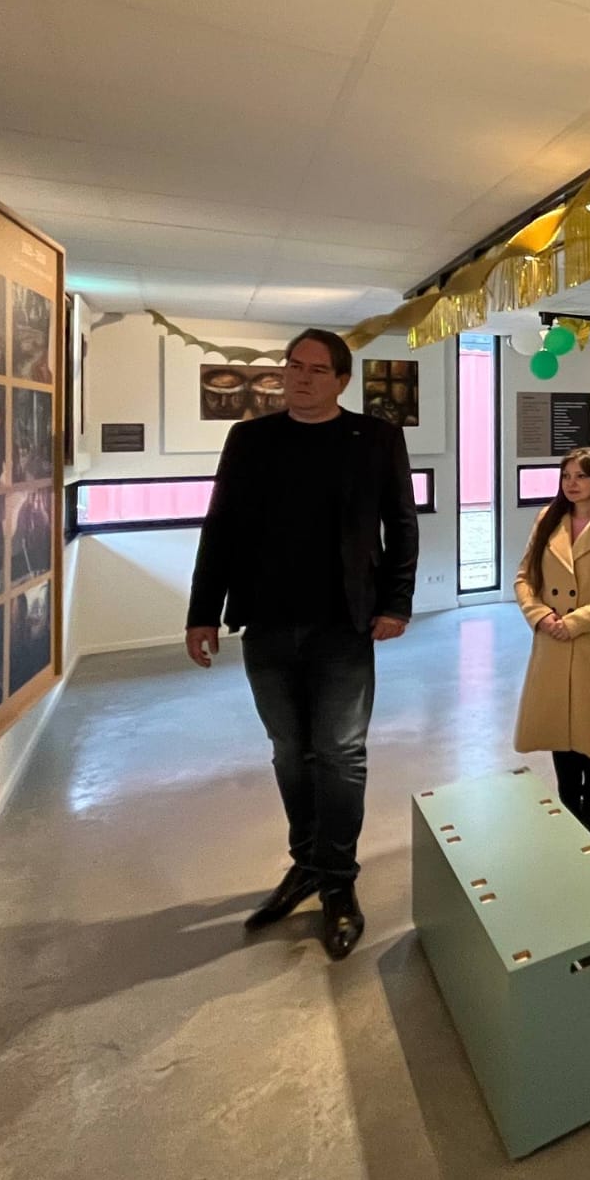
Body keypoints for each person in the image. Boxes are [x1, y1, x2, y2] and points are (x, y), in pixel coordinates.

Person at [186, 328, 418, 962]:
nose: (302, 377)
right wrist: (202, 613)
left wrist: (396, 602)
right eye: (294, 366)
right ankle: (307, 863)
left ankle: (338, 883)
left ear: (342, 380)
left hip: (343, 625)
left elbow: (401, 525)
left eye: (317, 370)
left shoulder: (374, 439)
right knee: (291, 752)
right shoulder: (250, 440)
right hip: (266, 623)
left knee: (340, 753)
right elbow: (220, 529)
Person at [512, 448, 590, 844]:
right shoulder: (548, 519)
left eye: (581, 476)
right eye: (566, 475)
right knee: (562, 732)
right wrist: (539, 615)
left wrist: (576, 622)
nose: (572, 483)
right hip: (552, 643)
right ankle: (570, 824)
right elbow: (524, 578)